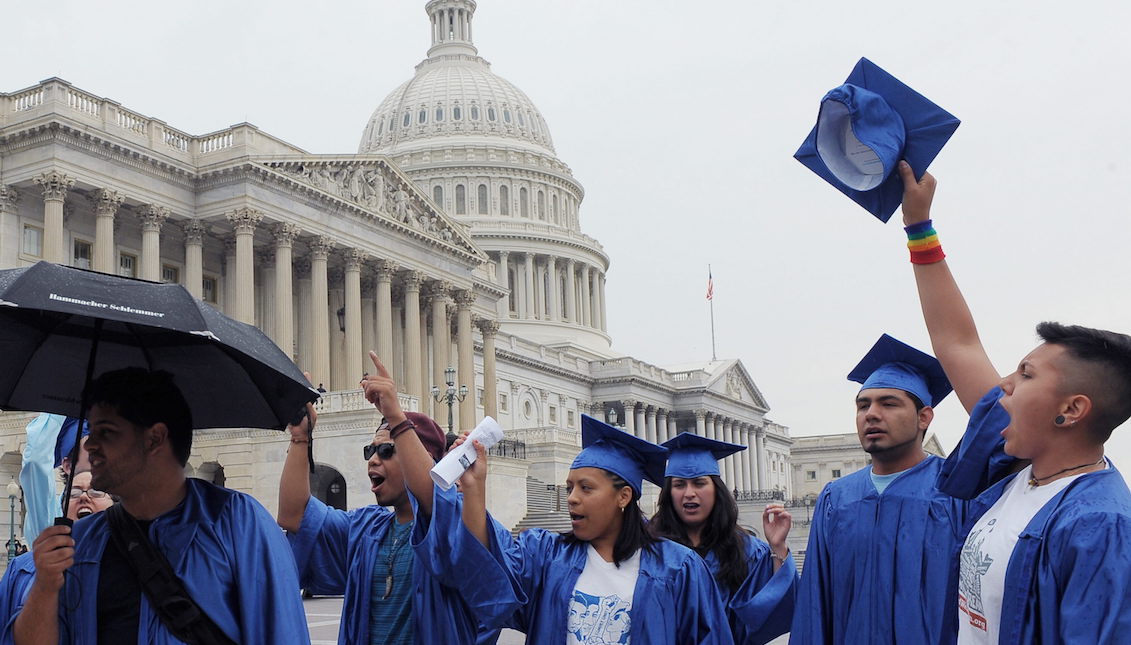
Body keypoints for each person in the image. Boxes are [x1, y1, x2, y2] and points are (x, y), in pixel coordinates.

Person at [896, 162, 1131, 643]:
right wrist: (918, 226)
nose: (1004, 384)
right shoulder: (1013, 471)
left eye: (1025, 374)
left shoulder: (1099, 526)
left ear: (1070, 411)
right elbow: (956, 342)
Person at [9, 367, 309, 644]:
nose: (89, 446)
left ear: (154, 438)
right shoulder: (83, 539)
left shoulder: (237, 523)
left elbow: (280, 633)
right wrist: (45, 587)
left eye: (106, 432)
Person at [281, 352, 513, 644]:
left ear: (425, 459)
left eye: (387, 450)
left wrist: (396, 416)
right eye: (370, 450)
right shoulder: (366, 528)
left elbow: (437, 499)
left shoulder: (457, 525)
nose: (373, 460)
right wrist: (300, 436)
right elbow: (294, 517)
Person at [444, 414, 735, 644]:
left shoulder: (679, 568)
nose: (572, 497)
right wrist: (474, 489)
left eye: (586, 488)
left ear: (623, 496)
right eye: (570, 487)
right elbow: (489, 569)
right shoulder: (546, 555)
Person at [791, 334, 973, 644]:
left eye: (889, 404)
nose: (871, 414)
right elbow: (814, 600)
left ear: (924, 417)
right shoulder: (836, 498)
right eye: (863, 405)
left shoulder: (956, 491)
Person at [650, 432, 797, 644]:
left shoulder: (748, 550)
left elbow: (775, 612)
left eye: (699, 483)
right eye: (679, 484)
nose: (689, 493)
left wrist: (778, 548)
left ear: (716, 490)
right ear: (668, 493)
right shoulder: (652, 550)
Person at [0, 471, 114, 632]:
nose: (84, 497)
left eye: (96, 491)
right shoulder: (20, 568)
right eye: (74, 493)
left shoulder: (131, 562)